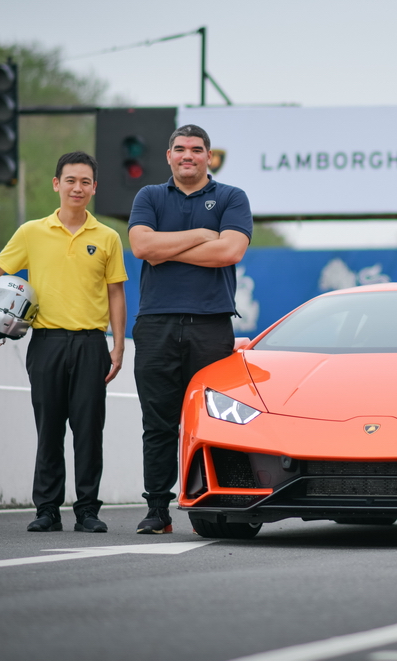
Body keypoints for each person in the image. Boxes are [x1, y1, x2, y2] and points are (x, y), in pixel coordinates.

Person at [0, 151, 127, 533]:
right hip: (47, 343)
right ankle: (47, 510)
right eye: (70, 180)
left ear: (94, 188)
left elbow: (116, 294)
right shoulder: (31, 232)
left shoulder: (107, 238)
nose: (77, 187)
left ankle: (87, 510)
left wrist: (117, 346)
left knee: (88, 430)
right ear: (57, 184)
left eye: (85, 182)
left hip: (91, 344)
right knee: (49, 428)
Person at [127, 124, 252, 534]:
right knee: (158, 422)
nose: (188, 156)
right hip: (155, 323)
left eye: (196, 150)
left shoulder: (232, 197)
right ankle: (157, 510)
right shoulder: (149, 196)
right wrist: (201, 235)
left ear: (208, 157)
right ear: (168, 156)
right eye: (179, 149)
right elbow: (143, 248)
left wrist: (169, 247)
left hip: (211, 325)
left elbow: (229, 251)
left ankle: (221, 503)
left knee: (219, 420)